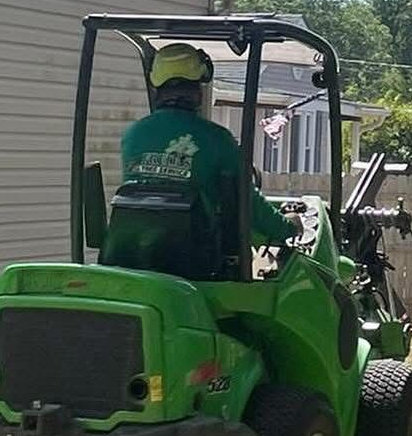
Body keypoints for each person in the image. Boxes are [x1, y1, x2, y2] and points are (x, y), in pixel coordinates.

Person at [107, 43, 297, 276]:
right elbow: (249, 206)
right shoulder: (217, 140)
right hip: (197, 268)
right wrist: (288, 227)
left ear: (156, 85)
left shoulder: (133, 135)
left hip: (130, 260)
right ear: (197, 89)